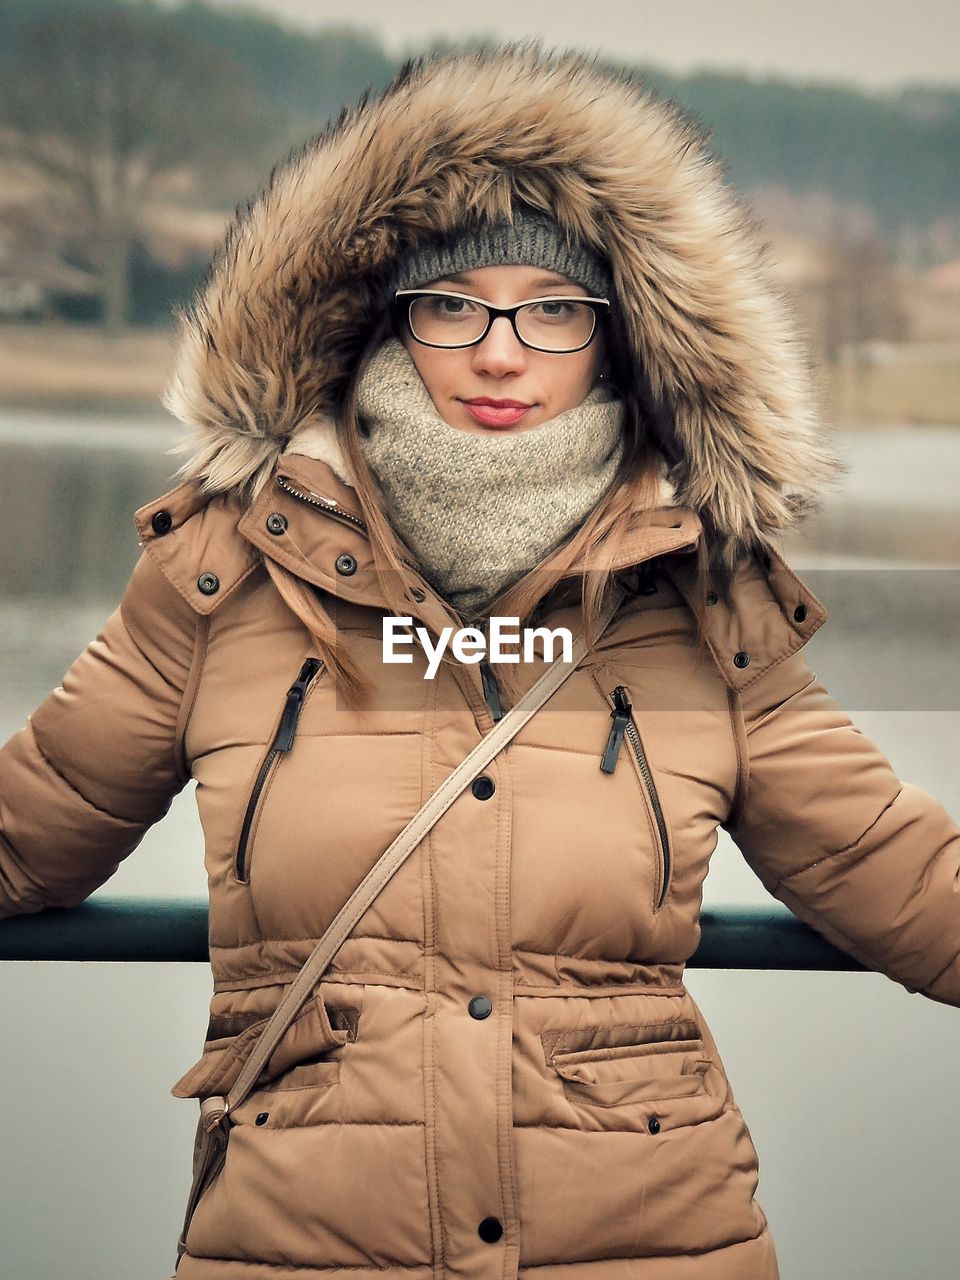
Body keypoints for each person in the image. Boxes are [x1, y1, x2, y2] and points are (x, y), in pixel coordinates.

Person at [1, 42, 958, 1280]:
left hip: (652, 1241)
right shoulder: (225, 573)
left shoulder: (696, 591)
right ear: (376, 320)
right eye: (453, 304)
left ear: (619, 342)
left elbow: (889, 862)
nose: (502, 353)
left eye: (554, 309)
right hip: (303, 1243)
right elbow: (29, 832)